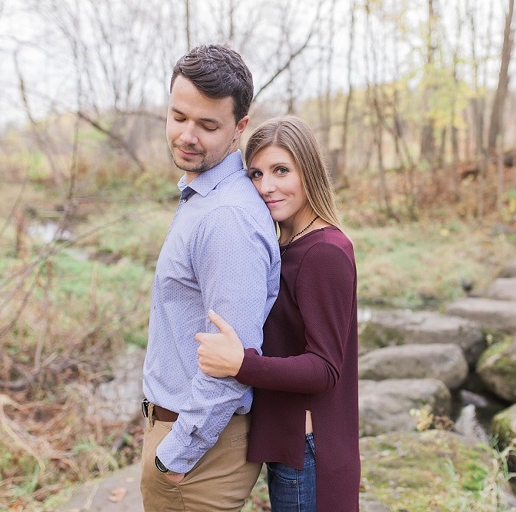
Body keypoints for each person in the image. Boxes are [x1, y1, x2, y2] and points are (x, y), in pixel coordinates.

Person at [140, 44, 281, 512]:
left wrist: (173, 459)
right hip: (187, 443)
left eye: (207, 125)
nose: (186, 135)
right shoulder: (202, 195)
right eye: (179, 116)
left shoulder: (227, 220)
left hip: (196, 458)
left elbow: (232, 362)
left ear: (240, 128)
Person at [195, 115, 360, 511]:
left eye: (281, 170)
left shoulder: (323, 253)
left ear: (310, 172)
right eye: (256, 173)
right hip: (294, 445)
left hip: (308, 452)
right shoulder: (288, 244)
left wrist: (241, 364)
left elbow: (324, 369)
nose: (266, 186)